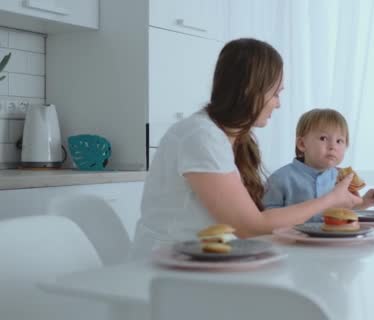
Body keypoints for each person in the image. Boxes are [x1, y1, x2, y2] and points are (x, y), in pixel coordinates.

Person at [130, 39, 362, 258]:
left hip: (206, 258)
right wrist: (331, 199)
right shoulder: (201, 136)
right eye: (276, 93)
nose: (278, 103)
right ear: (251, 90)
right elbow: (251, 227)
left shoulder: (227, 137)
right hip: (168, 266)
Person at [262, 108, 374, 222]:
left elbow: (347, 213)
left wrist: (365, 202)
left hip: (332, 244)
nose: (333, 146)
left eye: (339, 141)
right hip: (292, 244)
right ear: (302, 144)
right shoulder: (280, 178)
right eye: (323, 138)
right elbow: (267, 218)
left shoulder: (342, 179)